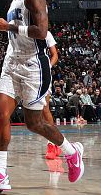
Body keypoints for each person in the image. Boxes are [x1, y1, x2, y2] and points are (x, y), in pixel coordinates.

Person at [0, 0, 84, 191]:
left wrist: (9, 27)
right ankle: (0, 172)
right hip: (12, 62)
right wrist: (9, 29)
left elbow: (41, 32)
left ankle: (72, 153)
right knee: (0, 112)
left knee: (35, 123)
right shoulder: (14, 1)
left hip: (34, 65)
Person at [41, 31, 60, 159]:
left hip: (41, 74)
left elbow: (55, 55)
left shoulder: (45, 33)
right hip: (22, 72)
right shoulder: (20, 31)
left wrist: (47, 67)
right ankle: (57, 142)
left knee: (44, 109)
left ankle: (52, 143)